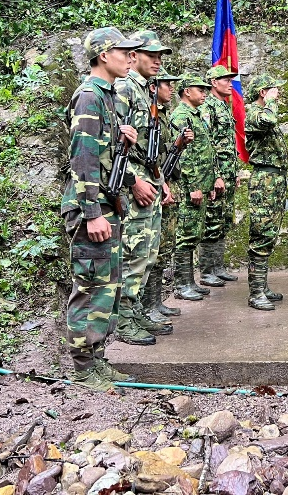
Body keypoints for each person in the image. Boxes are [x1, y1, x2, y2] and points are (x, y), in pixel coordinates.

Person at [61, 27, 142, 391]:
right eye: (124, 52)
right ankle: (82, 370)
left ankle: (97, 360)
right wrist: (92, 213)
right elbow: (83, 159)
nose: (130, 58)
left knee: (107, 287)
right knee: (90, 286)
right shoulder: (89, 97)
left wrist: (123, 138)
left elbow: (105, 155)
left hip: (106, 205)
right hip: (90, 209)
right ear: (104, 56)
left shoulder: (107, 96)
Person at [113, 31, 174, 345]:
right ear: (133, 56)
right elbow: (112, 144)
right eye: (152, 55)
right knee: (134, 254)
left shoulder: (146, 91)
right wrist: (133, 181)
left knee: (147, 254)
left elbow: (149, 146)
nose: (158, 61)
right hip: (134, 183)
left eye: (160, 56)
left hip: (149, 180)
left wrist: (160, 181)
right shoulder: (124, 88)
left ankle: (135, 312)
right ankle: (124, 321)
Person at [138, 68, 191, 327]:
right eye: (167, 84)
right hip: (155, 186)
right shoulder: (148, 114)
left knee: (164, 247)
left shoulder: (164, 114)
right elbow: (148, 156)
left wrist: (180, 142)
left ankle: (155, 302)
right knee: (154, 250)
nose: (171, 89)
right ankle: (147, 306)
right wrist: (162, 184)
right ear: (153, 87)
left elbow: (163, 153)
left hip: (166, 184)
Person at [170, 74, 217, 301]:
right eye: (200, 89)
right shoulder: (181, 116)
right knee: (186, 235)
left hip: (201, 184)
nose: (204, 93)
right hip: (190, 186)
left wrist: (210, 182)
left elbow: (205, 151)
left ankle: (189, 281)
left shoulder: (196, 115)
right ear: (187, 91)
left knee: (194, 233)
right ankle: (181, 285)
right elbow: (184, 155)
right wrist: (193, 187)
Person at [244, 74, 288, 311]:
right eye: (273, 89)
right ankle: (255, 293)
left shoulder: (263, 112)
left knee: (269, 234)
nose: (278, 93)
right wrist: (270, 101)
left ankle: (262, 286)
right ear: (263, 92)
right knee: (261, 235)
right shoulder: (254, 112)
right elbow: (269, 120)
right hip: (264, 181)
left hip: (274, 180)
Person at [199, 65, 242, 287]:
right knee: (212, 222)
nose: (230, 84)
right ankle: (207, 271)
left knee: (223, 220)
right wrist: (215, 176)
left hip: (227, 174)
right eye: (226, 80)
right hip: (216, 176)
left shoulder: (223, 106)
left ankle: (218, 267)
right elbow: (208, 144)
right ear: (214, 83)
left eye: (231, 80)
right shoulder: (207, 107)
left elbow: (228, 144)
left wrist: (234, 172)